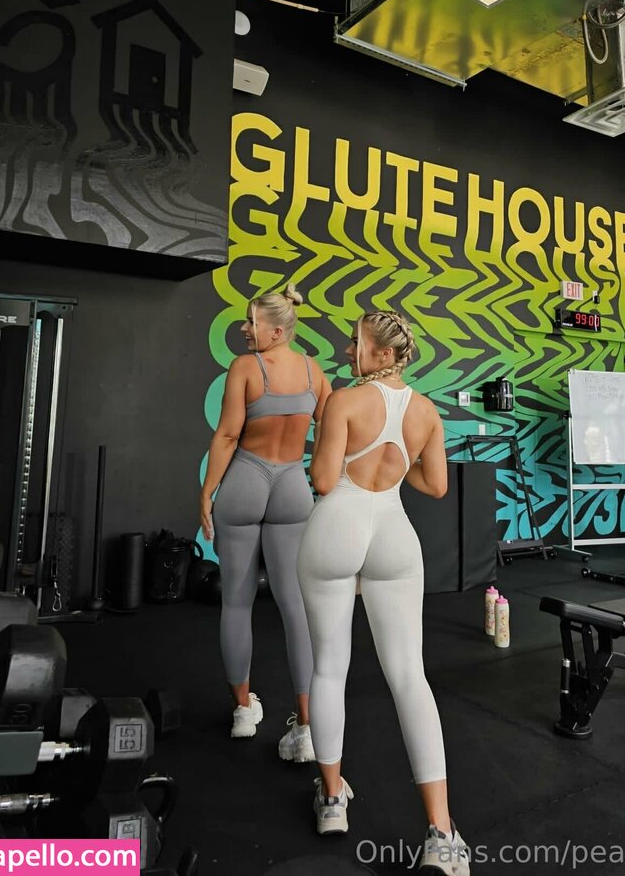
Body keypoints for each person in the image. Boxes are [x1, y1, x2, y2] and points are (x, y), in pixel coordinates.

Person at [297, 310, 470, 875]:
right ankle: (441, 832)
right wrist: (395, 469)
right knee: (410, 677)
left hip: (338, 526)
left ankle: (332, 799)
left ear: (383, 353)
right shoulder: (426, 411)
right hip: (394, 532)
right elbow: (436, 484)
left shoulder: (343, 402)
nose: (349, 351)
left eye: (357, 343)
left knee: (329, 669)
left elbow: (324, 480)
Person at [200, 285, 330, 761]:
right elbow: (330, 430)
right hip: (293, 485)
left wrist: (207, 492)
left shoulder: (244, 368)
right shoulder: (315, 372)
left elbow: (227, 435)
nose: (243, 329)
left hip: (245, 482)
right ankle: (307, 725)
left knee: (236, 602)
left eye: (251, 322)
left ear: (276, 330)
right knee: (294, 605)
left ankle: (242, 710)